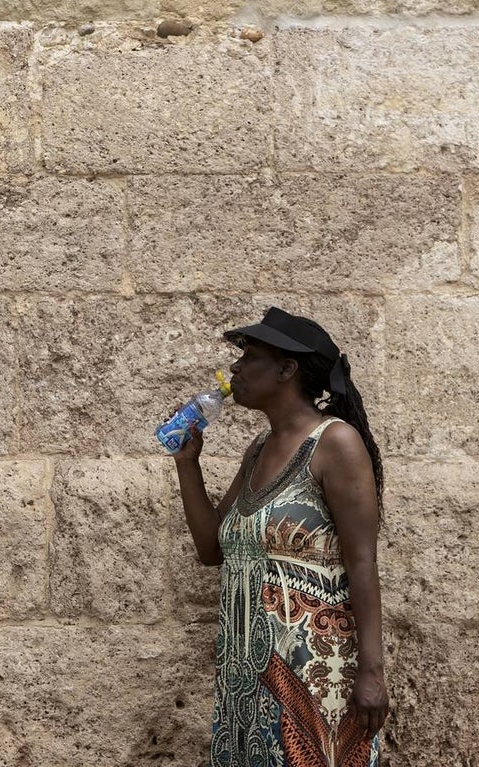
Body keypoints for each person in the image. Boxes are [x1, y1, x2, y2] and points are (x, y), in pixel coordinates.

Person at [171, 307, 388, 767]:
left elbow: (363, 563)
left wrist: (371, 671)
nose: (234, 369)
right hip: (247, 676)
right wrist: (187, 463)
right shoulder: (258, 450)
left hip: (313, 674)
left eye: (249, 356)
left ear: (287, 369)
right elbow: (212, 549)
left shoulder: (335, 443)